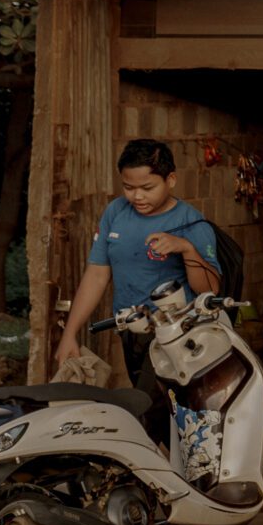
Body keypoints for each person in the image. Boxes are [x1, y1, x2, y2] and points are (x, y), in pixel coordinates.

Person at [53, 139, 221, 379]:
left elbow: (210, 288)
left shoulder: (191, 222)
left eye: (147, 187)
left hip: (180, 335)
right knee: (149, 403)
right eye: (128, 187)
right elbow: (97, 275)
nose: (137, 196)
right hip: (132, 332)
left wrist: (186, 249)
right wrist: (69, 334)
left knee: (161, 408)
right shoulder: (116, 211)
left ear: (170, 180)